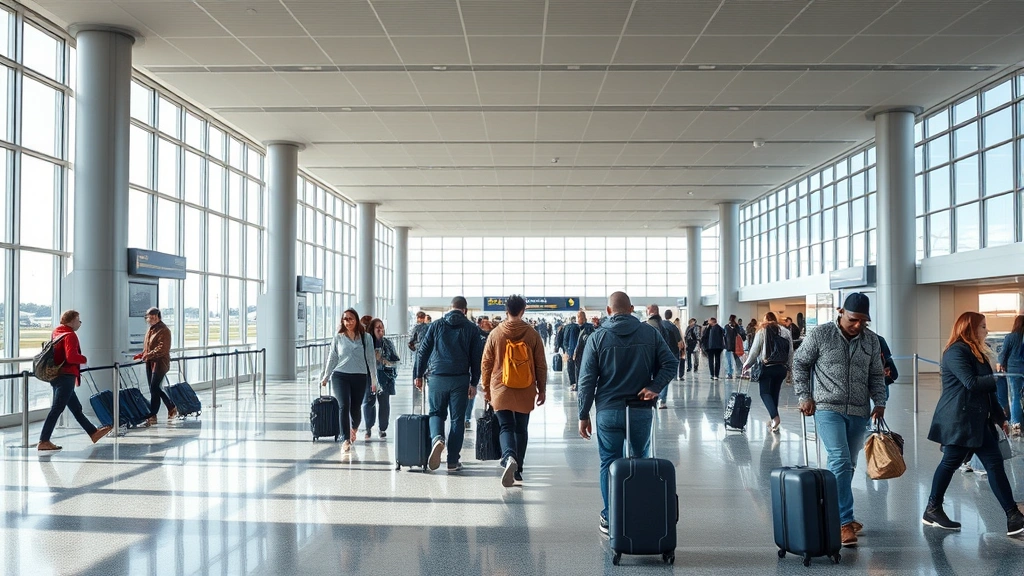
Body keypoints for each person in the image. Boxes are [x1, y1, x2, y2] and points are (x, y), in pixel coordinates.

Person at [577, 291, 678, 535]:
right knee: (640, 460)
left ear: (608, 311)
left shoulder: (597, 337)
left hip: (608, 412)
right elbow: (671, 363)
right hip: (640, 410)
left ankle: (610, 517)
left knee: (608, 462)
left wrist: (583, 414)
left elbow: (587, 380)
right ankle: (638, 513)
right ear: (631, 308)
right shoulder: (649, 333)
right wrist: (654, 387)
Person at [793, 292, 886, 548]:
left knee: (849, 465)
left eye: (863, 322)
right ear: (840, 311)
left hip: (859, 411)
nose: (857, 326)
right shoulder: (821, 334)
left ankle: (838, 511)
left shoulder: (871, 341)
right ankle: (844, 521)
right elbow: (800, 363)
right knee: (840, 460)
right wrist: (804, 395)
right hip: (827, 407)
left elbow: (876, 374)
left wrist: (880, 401)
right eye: (853, 319)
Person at [922, 311, 1024, 536]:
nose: (987, 331)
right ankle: (932, 508)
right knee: (950, 462)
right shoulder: (956, 352)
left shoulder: (977, 352)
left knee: (995, 464)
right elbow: (971, 383)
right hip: (960, 420)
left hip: (978, 421)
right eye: (983, 327)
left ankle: (1013, 516)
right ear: (970, 329)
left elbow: (987, 393)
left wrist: (1000, 418)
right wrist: (1001, 378)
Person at [480, 295, 547, 487]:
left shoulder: (495, 334)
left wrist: (486, 389)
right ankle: (518, 471)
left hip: (500, 388)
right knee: (521, 428)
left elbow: (486, 363)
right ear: (523, 310)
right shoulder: (532, 334)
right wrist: (541, 389)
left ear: (506, 311)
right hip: (525, 388)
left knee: (506, 427)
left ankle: (509, 456)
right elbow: (541, 365)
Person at [414, 296, 485, 472]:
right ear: (465, 310)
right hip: (460, 379)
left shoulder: (435, 325)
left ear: (450, 308)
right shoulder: (472, 328)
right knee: (457, 419)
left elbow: (423, 351)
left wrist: (418, 375)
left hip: (437, 377)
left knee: (436, 413)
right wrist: (474, 382)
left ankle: (437, 438)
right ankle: (452, 461)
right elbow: (477, 359)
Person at [36, 310, 113, 451]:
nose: (80, 323)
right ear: (71, 321)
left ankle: (93, 432)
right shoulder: (70, 335)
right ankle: (44, 440)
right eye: (78, 320)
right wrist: (83, 359)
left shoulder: (56, 332)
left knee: (76, 408)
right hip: (66, 376)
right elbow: (71, 357)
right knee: (57, 408)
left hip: (56, 375)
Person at [320, 308, 378, 452]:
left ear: (356, 320)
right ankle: (345, 439)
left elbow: (371, 359)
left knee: (355, 408)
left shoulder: (366, 338)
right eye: (345, 319)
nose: (348, 322)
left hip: (359, 376)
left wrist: (374, 379)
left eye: (351, 319)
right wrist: (326, 376)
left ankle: (354, 428)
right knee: (343, 406)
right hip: (340, 375)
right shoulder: (338, 337)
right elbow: (333, 357)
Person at [742, 312, 793, 433]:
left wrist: (747, 364)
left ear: (765, 319)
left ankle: (775, 417)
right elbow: (790, 350)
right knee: (774, 393)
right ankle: (773, 420)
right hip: (781, 367)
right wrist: (789, 367)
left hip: (767, 366)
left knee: (764, 393)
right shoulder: (785, 331)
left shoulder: (762, 331)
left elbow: (755, 351)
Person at [133, 307, 177, 425]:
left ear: (158, 317)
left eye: (153, 317)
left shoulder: (164, 330)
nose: (150, 319)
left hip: (160, 363)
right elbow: (150, 346)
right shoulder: (151, 330)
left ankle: (153, 414)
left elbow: (162, 348)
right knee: (154, 388)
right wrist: (143, 354)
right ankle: (169, 407)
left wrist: (148, 355)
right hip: (150, 362)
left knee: (154, 388)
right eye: (148, 317)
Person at [363, 318, 399, 440]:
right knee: (368, 402)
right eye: (377, 327)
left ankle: (382, 428)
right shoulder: (366, 343)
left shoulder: (388, 344)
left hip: (385, 377)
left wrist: (383, 360)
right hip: (369, 377)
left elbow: (395, 362)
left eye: (381, 326)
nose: (380, 329)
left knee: (384, 404)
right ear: (372, 330)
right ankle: (368, 427)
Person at [996, 314, 1024, 436]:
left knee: (1016, 397)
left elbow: (1003, 353)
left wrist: (1001, 363)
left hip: (1014, 371)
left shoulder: (1011, 337)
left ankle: (1016, 423)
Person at [560, 311, 593, 392]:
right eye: (578, 317)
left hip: (579, 352)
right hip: (575, 352)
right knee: (575, 369)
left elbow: (566, 340)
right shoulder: (575, 328)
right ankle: (576, 384)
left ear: (584, 318)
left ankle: (577, 384)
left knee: (577, 369)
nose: (578, 319)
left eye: (580, 317)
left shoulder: (587, 328)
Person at [661, 309, 684, 386]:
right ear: (671, 316)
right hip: (673, 349)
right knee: (674, 364)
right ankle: (673, 378)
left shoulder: (660, 324)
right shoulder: (673, 326)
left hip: (662, 348)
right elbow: (679, 340)